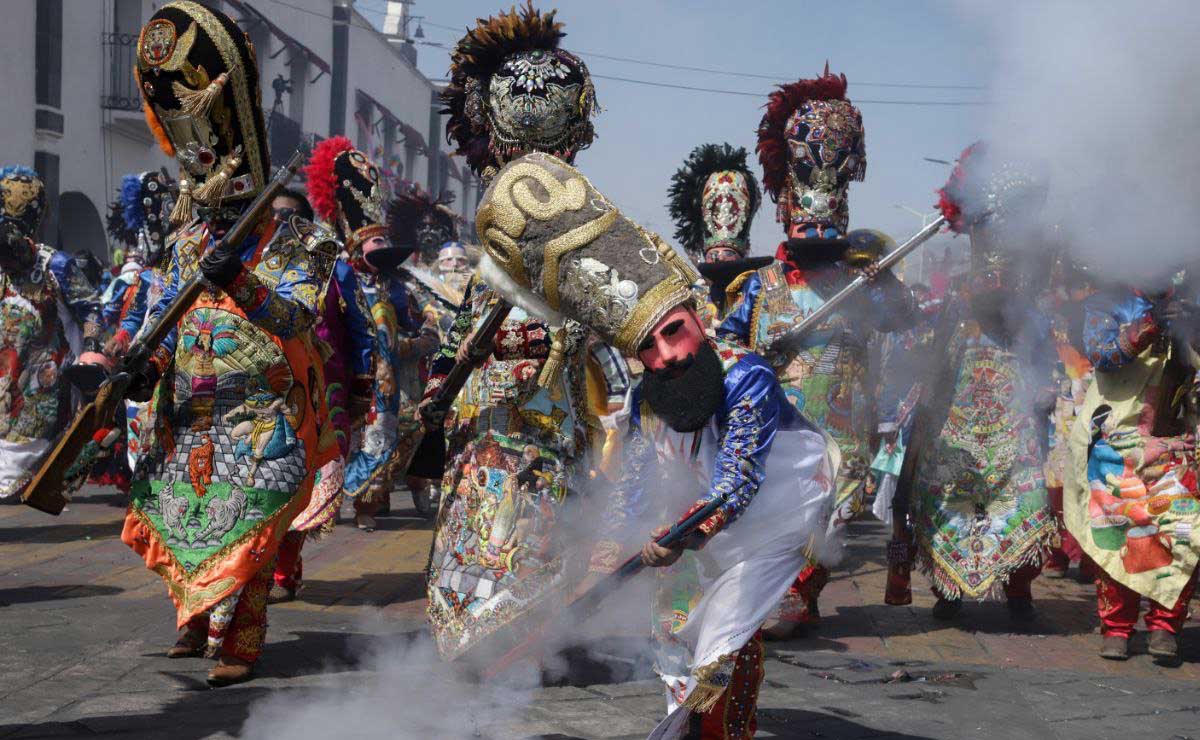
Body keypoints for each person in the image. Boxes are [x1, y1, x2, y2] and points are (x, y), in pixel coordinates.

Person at [479, 151, 836, 740]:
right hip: (691, 522)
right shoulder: (647, 398)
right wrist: (602, 562)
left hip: (771, 514)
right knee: (672, 633)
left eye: (674, 332)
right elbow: (637, 484)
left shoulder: (746, 375)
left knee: (721, 640)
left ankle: (725, 730)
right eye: (649, 347)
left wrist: (676, 540)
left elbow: (739, 482)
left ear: (696, 318)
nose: (667, 355)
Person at [113, 2, 338, 686]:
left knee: (256, 530)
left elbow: (298, 320)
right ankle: (190, 623)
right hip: (189, 418)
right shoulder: (185, 243)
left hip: (261, 418)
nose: (219, 217)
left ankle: (240, 641)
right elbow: (162, 323)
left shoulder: (304, 241)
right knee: (178, 519)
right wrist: (140, 367)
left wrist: (239, 279)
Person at [424, 3, 630, 662]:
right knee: (475, 518)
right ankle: (468, 641)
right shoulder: (488, 240)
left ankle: (528, 648)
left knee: (539, 521)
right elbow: (465, 317)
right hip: (482, 408)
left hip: (551, 405)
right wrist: (438, 380)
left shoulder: (584, 235)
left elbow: (610, 320)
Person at [717, 67, 914, 638]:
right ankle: (776, 595)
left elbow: (904, 320)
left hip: (843, 426)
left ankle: (801, 593)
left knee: (830, 513)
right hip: (781, 426)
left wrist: (884, 283)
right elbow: (727, 344)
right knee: (775, 511)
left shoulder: (859, 282)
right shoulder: (758, 286)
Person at [907, 142, 1057, 620]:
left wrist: (1045, 384)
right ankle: (949, 587)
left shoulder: (1030, 304)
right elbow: (935, 353)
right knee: (950, 493)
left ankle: (1018, 589)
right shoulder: (955, 299)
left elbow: (1042, 349)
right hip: (957, 415)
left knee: (1020, 493)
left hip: (1013, 414)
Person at [1063, 274, 1200, 662]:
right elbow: (1103, 356)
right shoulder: (1106, 302)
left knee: (1181, 535)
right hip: (1114, 440)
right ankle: (1117, 627)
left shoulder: (1193, 301)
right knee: (1117, 535)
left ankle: (1165, 626)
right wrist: (1149, 324)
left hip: (1178, 439)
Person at [305, 136, 435, 532]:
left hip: (387, 379)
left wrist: (417, 340)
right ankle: (326, 503)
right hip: (345, 375)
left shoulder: (397, 286)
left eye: (383, 242)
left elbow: (419, 324)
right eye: (371, 242)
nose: (379, 248)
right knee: (341, 439)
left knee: (382, 438)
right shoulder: (338, 278)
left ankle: (368, 504)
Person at [269, 178, 374, 601]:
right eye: (273, 215)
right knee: (268, 482)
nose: (280, 223)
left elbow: (361, 331)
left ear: (306, 224)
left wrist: (361, 393)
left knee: (306, 484)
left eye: (290, 216)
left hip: (323, 396)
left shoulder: (335, 269)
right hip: (267, 395)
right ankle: (264, 568)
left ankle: (283, 569)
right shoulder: (255, 268)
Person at [0, 166, 102, 500]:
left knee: (10, 475)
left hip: (39, 395)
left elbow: (91, 309)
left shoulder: (55, 265)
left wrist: (90, 349)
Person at [98, 170, 176, 480]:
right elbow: (135, 315)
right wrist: (121, 335)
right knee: (140, 432)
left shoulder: (197, 261)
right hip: (146, 358)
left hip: (186, 356)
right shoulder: (147, 275)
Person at [667, 143, 768, 324]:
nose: (720, 259)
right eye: (714, 255)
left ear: (745, 251)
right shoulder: (689, 299)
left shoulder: (758, 292)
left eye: (728, 253)